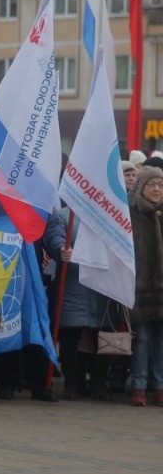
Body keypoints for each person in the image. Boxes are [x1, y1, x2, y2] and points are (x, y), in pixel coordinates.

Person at [43, 206, 111, 402]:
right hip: (73, 284)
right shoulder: (64, 215)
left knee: (103, 338)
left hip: (102, 286)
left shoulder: (108, 213)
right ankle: (72, 383)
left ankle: (99, 384)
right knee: (70, 336)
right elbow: (54, 235)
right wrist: (61, 249)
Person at [129, 166, 163, 407]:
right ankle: (138, 386)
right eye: (151, 184)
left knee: (161, 341)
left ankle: (159, 386)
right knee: (141, 339)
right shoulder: (131, 214)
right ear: (141, 187)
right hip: (140, 289)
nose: (157, 189)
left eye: (161, 185)